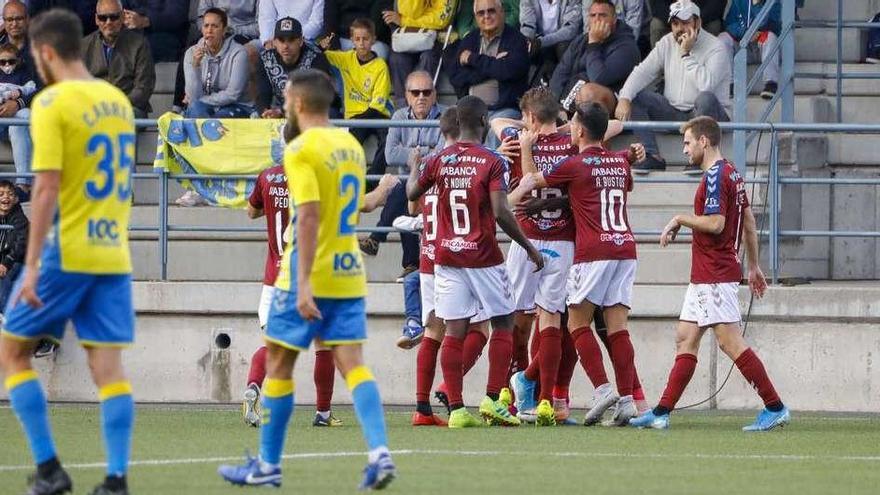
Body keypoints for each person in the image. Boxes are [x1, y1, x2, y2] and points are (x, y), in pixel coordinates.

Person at [218, 69, 396, 490]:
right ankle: (380, 453)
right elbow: (351, 209)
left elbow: (310, 215)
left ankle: (268, 464)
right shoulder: (350, 146)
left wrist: (302, 284)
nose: (282, 104)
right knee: (353, 365)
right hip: (349, 273)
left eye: (284, 97)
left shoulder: (299, 151)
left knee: (278, 364)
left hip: (307, 272)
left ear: (298, 104)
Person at [0, 9, 137, 495]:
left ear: (47, 53)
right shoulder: (117, 102)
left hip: (67, 249)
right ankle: (116, 479)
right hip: (113, 252)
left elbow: (45, 187)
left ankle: (50, 468)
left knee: (12, 352)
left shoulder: (53, 103)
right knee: (109, 370)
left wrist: (32, 266)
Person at [631, 116, 791, 431]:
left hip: (715, 273)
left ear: (704, 141)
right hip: (707, 273)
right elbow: (747, 222)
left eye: (688, 142)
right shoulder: (732, 172)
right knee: (685, 338)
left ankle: (775, 406)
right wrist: (754, 265)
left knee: (730, 342)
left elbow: (717, 224)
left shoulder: (717, 176)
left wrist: (680, 218)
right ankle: (661, 412)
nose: (685, 148)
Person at [406, 95, 544, 429]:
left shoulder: (438, 160)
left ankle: (456, 409)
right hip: (482, 255)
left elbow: (412, 194)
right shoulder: (491, 161)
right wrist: (527, 247)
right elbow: (500, 211)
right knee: (503, 323)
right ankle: (493, 399)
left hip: (446, 257)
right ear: (483, 122)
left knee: (453, 330)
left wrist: (414, 167)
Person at [510, 102, 646, 426]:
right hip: (625, 248)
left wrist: (527, 149)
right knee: (618, 329)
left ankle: (601, 390)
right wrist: (626, 156)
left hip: (594, 251)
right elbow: (621, 186)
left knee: (576, 325)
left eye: (571, 123)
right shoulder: (619, 163)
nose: (568, 127)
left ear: (581, 130)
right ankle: (626, 401)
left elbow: (532, 182)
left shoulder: (574, 164)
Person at [489, 87, 577, 426]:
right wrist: (563, 123)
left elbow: (496, 120)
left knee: (512, 317)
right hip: (563, 241)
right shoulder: (573, 143)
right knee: (552, 319)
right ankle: (544, 401)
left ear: (528, 118)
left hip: (525, 238)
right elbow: (611, 125)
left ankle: (507, 395)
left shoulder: (516, 141)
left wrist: (526, 130)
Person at [616, 0, 730, 175]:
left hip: (710, 115)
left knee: (705, 98)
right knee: (635, 96)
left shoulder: (716, 47)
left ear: (697, 23)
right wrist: (624, 97)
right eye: (675, 24)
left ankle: (699, 157)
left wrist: (686, 54)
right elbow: (643, 71)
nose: (679, 29)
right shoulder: (667, 42)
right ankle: (652, 155)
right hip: (675, 113)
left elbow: (706, 86)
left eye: (685, 23)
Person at [359, 71, 445, 286]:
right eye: (415, 92)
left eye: (426, 92)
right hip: (409, 184)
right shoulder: (398, 116)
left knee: (403, 188)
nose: (421, 97)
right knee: (403, 190)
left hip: (435, 182)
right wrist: (427, 151)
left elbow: (442, 154)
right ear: (407, 95)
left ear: (434, 94)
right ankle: (409, 263)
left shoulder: (446, 116)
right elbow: (390, 155)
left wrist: (413, 154)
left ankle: (379, 239)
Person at [447, 0, 530, 147]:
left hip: (504, 110)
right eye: (481, 13)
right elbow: (456, 76)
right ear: (475, 17)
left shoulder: (517, 40)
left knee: (495, 131)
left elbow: (509, 71)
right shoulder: (470, 39)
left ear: (501, 12)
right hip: (470, 110)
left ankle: (488, 170)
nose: (486, 16)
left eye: (491, 11)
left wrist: (473, 59)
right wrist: (492, 66)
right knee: (451, 129)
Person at [324, 18, 394, 175]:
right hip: (354, 116)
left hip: (378, 115)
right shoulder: (345, 59)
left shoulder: (380, 66)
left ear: (373, 40)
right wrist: (321, 47)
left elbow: (378, 105)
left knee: (387, 139)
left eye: (366, 39)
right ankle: (352, 176)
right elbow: (322, 56)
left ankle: (373, 177)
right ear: (352, 40)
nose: (361, 43)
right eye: (357, 39)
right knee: (349, 144)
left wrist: (358, 121)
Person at [550, 0, 640, 117]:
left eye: (603, 15)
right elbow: (560, 73)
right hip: (572, 98)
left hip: (611, 103)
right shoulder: (580, 41)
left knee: (589, 92)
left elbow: (598, 77)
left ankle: (589, 130)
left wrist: (593, 44)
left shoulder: (627, 46)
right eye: (593, 15)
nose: (597, 19)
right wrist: (556, 105)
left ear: (614, 19)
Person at [83, 0, 156, 118]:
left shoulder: (139, 44)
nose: (108, 22)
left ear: (122, 17)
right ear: (96, 19)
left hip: (129, 107)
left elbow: (143, 88)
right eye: (103, 18)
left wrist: (116, 105)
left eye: (114, 17)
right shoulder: (84, 46)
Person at [255, 17, 333, 119]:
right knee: (255, 116)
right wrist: (265, 111)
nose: (285, 46)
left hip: (310, 109)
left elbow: (316, 94)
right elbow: (263, 92)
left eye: (291, 40)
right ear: (274, 42)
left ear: (301, 41)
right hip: (278, 110)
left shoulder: (316, 58)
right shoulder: (266, 59)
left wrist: (281, 111)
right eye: (281, 40)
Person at [182, 7, 254, 119]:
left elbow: (233, 94)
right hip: (205, 106)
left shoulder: (239, 53)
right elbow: (193, 97)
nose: (209, 30)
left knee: (218, 119)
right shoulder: (191, 53)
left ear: (224, 30)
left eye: (214, 26)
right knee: (195, 109)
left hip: (236, 106)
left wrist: (201, 100)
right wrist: (195, 65)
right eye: (206, 26)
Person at [385, 0, 455, 106]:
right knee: (397, 58)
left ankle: (424, 105)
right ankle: (403, 108)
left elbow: (441, 19)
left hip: (436, 37)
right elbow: (409, 11)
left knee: (428, 57)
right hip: (408, 35)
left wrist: (405, 21)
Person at [0, 1, 37, 201]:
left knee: (22, 117)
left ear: (27, 20)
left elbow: (44, 87)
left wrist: (19, 103)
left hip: (27, 115)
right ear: (4, 22)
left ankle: (23, 184)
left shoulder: (39, 49)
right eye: (9, 19)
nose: (14, 23)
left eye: (19, 18)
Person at [718, 0, 781, 99]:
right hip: (742, 46)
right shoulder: (738, 1)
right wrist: (745, 32)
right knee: (723, 38)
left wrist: (757, 5)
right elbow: (729, 25)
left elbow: (775, 26)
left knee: (771, 37)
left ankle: (771, 84)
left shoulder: (773, 2)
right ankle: (729, 84)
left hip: (761, 47)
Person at [520, 0, 582, 85]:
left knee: (563, 47)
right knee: (522, 48)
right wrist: (527, 41)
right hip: (538, 41)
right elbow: (527, 25)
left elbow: (570, 30)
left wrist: (541, 42)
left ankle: (567, 87)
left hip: (563, 42)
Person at [121, 0, 190, 62]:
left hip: (166, 35)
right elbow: (120, 7)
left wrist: (145, 21)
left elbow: (176, 16)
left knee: (138, 48)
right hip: (133, 32)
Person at [0, 179, 27, 312]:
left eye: (10, 194)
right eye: (1, 194)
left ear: (16, 199)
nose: (6, 197)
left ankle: (6, 313)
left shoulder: (19, 217)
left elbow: (21, 244)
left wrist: (5, 263)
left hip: (15, 261)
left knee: (2, 275)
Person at [650, 0, 725, 47]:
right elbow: (656, 4)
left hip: (701, 17)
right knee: (657, 25)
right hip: (672, 16)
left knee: (714, 25)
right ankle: (660, 67)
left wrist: (693, 20)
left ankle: (707, 62)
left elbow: (717, 5)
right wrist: (677, 19)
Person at [259, 0, 324, 47]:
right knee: (250, 51)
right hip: (274, 38)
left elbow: (316, 23)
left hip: (305, 40)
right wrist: (267, 40)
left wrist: (292, 38)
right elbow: (266, 18)